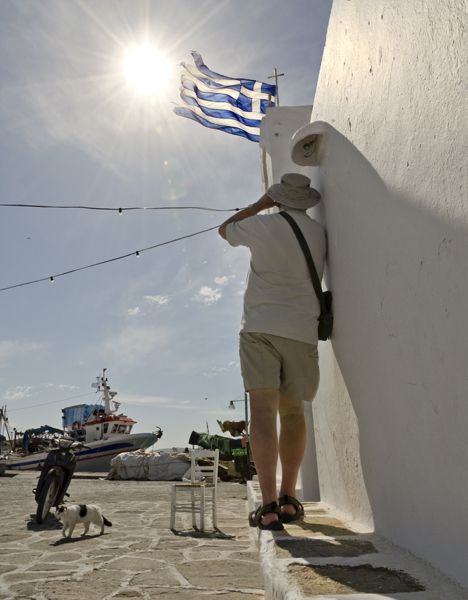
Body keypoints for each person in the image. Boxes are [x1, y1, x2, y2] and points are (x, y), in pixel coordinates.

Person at [218, 173, 326, 530]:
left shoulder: (263, 225)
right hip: (302, 331)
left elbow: (225, 229)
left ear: (279, 198)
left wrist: (261, 204)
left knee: (263, 413)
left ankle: (267, 508)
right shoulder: (317, 233)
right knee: (293, 413)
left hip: (260, 328)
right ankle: (289, 499)